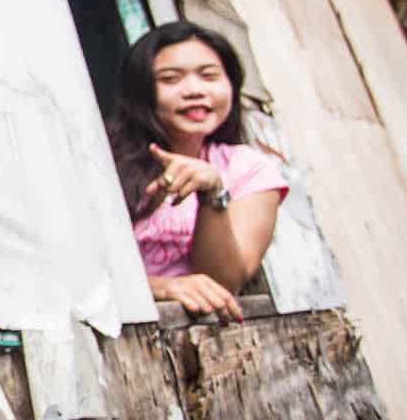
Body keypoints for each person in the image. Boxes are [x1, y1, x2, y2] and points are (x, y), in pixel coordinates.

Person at [107, 22, 287, 321]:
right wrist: (163, 287)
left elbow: (223, 283)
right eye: (170, 79)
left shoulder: (248, 169)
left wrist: (213, 192)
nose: (194, 91)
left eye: (209, 76)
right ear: (140, 92)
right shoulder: (100, 159)